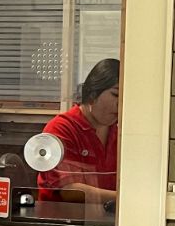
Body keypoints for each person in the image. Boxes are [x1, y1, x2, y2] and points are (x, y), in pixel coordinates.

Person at [36, 58, 119, 216]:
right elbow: (69, 190)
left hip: (103, 221)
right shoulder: (61, 128)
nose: (120, 103)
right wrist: (123, 199)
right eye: (115, 94)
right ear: (93, 94)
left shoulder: (118, 130)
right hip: (61, 223)